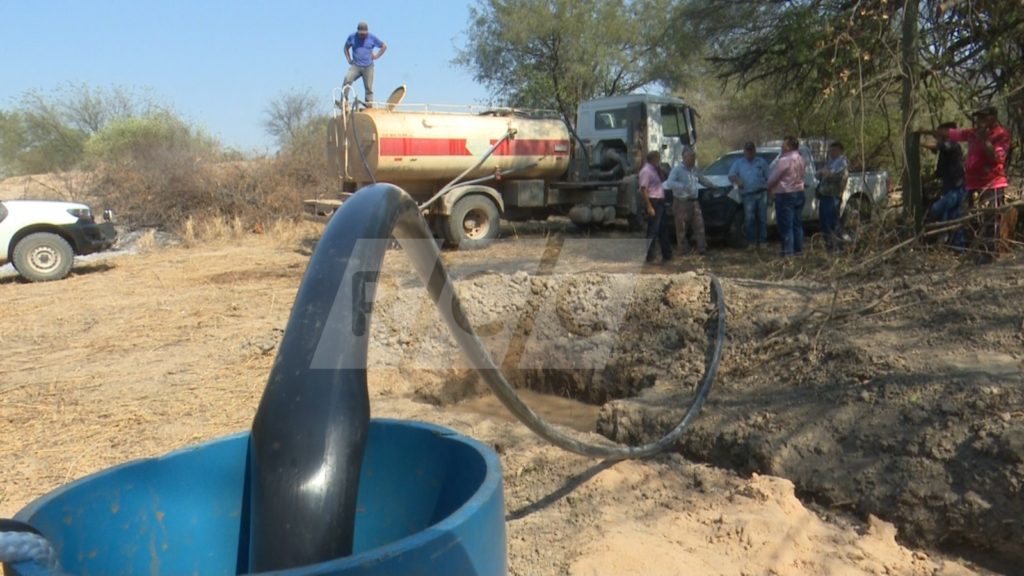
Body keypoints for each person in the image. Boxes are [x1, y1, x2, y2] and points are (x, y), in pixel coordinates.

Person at [946, 106, 1012, 258]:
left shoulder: (1001, 135)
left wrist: (984, 139)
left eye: (983, 117)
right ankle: (977, 251)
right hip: (973, 183)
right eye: (978, 118)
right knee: (973, 217)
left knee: (991, 218)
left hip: (992, 183)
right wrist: (926, 132)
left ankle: (992, 253)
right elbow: (954, 134)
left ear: (993, 117)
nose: (979, 121)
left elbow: (996, 157)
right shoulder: (973, 133)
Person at [919, 122, 966, 250]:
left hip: (957, 188)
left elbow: (940, 146)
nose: (938, 136)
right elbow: (939, 173)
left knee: (937, 208)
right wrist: (925, 179)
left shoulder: (952, 145)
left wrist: (920, 142)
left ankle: (956, 245)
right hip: (948, 187)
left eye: (941, 134)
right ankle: (957, 247)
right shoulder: (944, 152)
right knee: (952, 217)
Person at [663, 147, 712, 255]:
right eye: (691, 157)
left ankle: (702, 247)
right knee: (681, 228)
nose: (693, 160)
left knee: (699, 225)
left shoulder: (694, 169)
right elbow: (670, 183)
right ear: (684, 158)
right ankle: (683, 249)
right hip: (681, 202)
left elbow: (702, 179)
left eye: (694, 157)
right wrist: (682, 186)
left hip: (694, 202)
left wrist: (712, 186)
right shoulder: (677, 170)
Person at [765, 136, 807, 258]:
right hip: (799, 192)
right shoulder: (801, 159)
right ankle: (798, 250)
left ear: (789, 146)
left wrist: (768, 186)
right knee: (797, 223)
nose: (782, 146)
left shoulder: (785, 160)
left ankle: (788, 252)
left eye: (784, 144)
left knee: (786, 224)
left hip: (786, 194)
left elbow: (773, 178)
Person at [728, 141, 770, 250]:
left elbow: (769, 177)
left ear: (754, 150)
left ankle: (763, 241)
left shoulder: (761, 162)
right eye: (747, 150)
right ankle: (751, 242)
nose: (749, 152)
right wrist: (737, 180)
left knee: (762, 218)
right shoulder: (738, 163)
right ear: (744, 151)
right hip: (747, 195)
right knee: (749, 219)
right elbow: (731, 175)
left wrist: (771, 192)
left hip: (761, 193)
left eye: (751, 150)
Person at [639, 150, 672, 263]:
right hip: (653, 201)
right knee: (653, 230)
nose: (659, 160)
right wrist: (649, 206)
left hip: (660, 201)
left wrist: (660, 170)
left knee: (663, 229)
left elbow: (663, 180)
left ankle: (667, 255)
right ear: (653, 159)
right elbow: (643, 189)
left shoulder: (655, 170)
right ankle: (650, 256)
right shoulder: (646, 171)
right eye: (658, 158)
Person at [815, 141, 849, 252]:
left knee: (832, 222)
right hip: (825, 195)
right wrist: (823, 172)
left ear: (840, 151)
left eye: (834, 150)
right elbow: (818, 174)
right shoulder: (831, 162)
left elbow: (829, 174)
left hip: (833, 196)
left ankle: (837, 247)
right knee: (824, 222)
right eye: (830, 150)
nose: (831, 152)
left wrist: (825, 173)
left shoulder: (842, 162)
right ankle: (829, 246)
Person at [343, 22, 387, 106]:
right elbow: (345, 48)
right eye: (361, 34)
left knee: (369, 87)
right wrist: (349, 60)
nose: (362, 36)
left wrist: (376, 56)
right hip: (356, 65)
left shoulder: (372, 38)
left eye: (364, 34)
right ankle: (344, 101)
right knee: (347, 79)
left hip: (368, 66)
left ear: (367, 32)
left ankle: (369, 104)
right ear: (358, 32)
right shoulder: (352, 37)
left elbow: (384, 46)